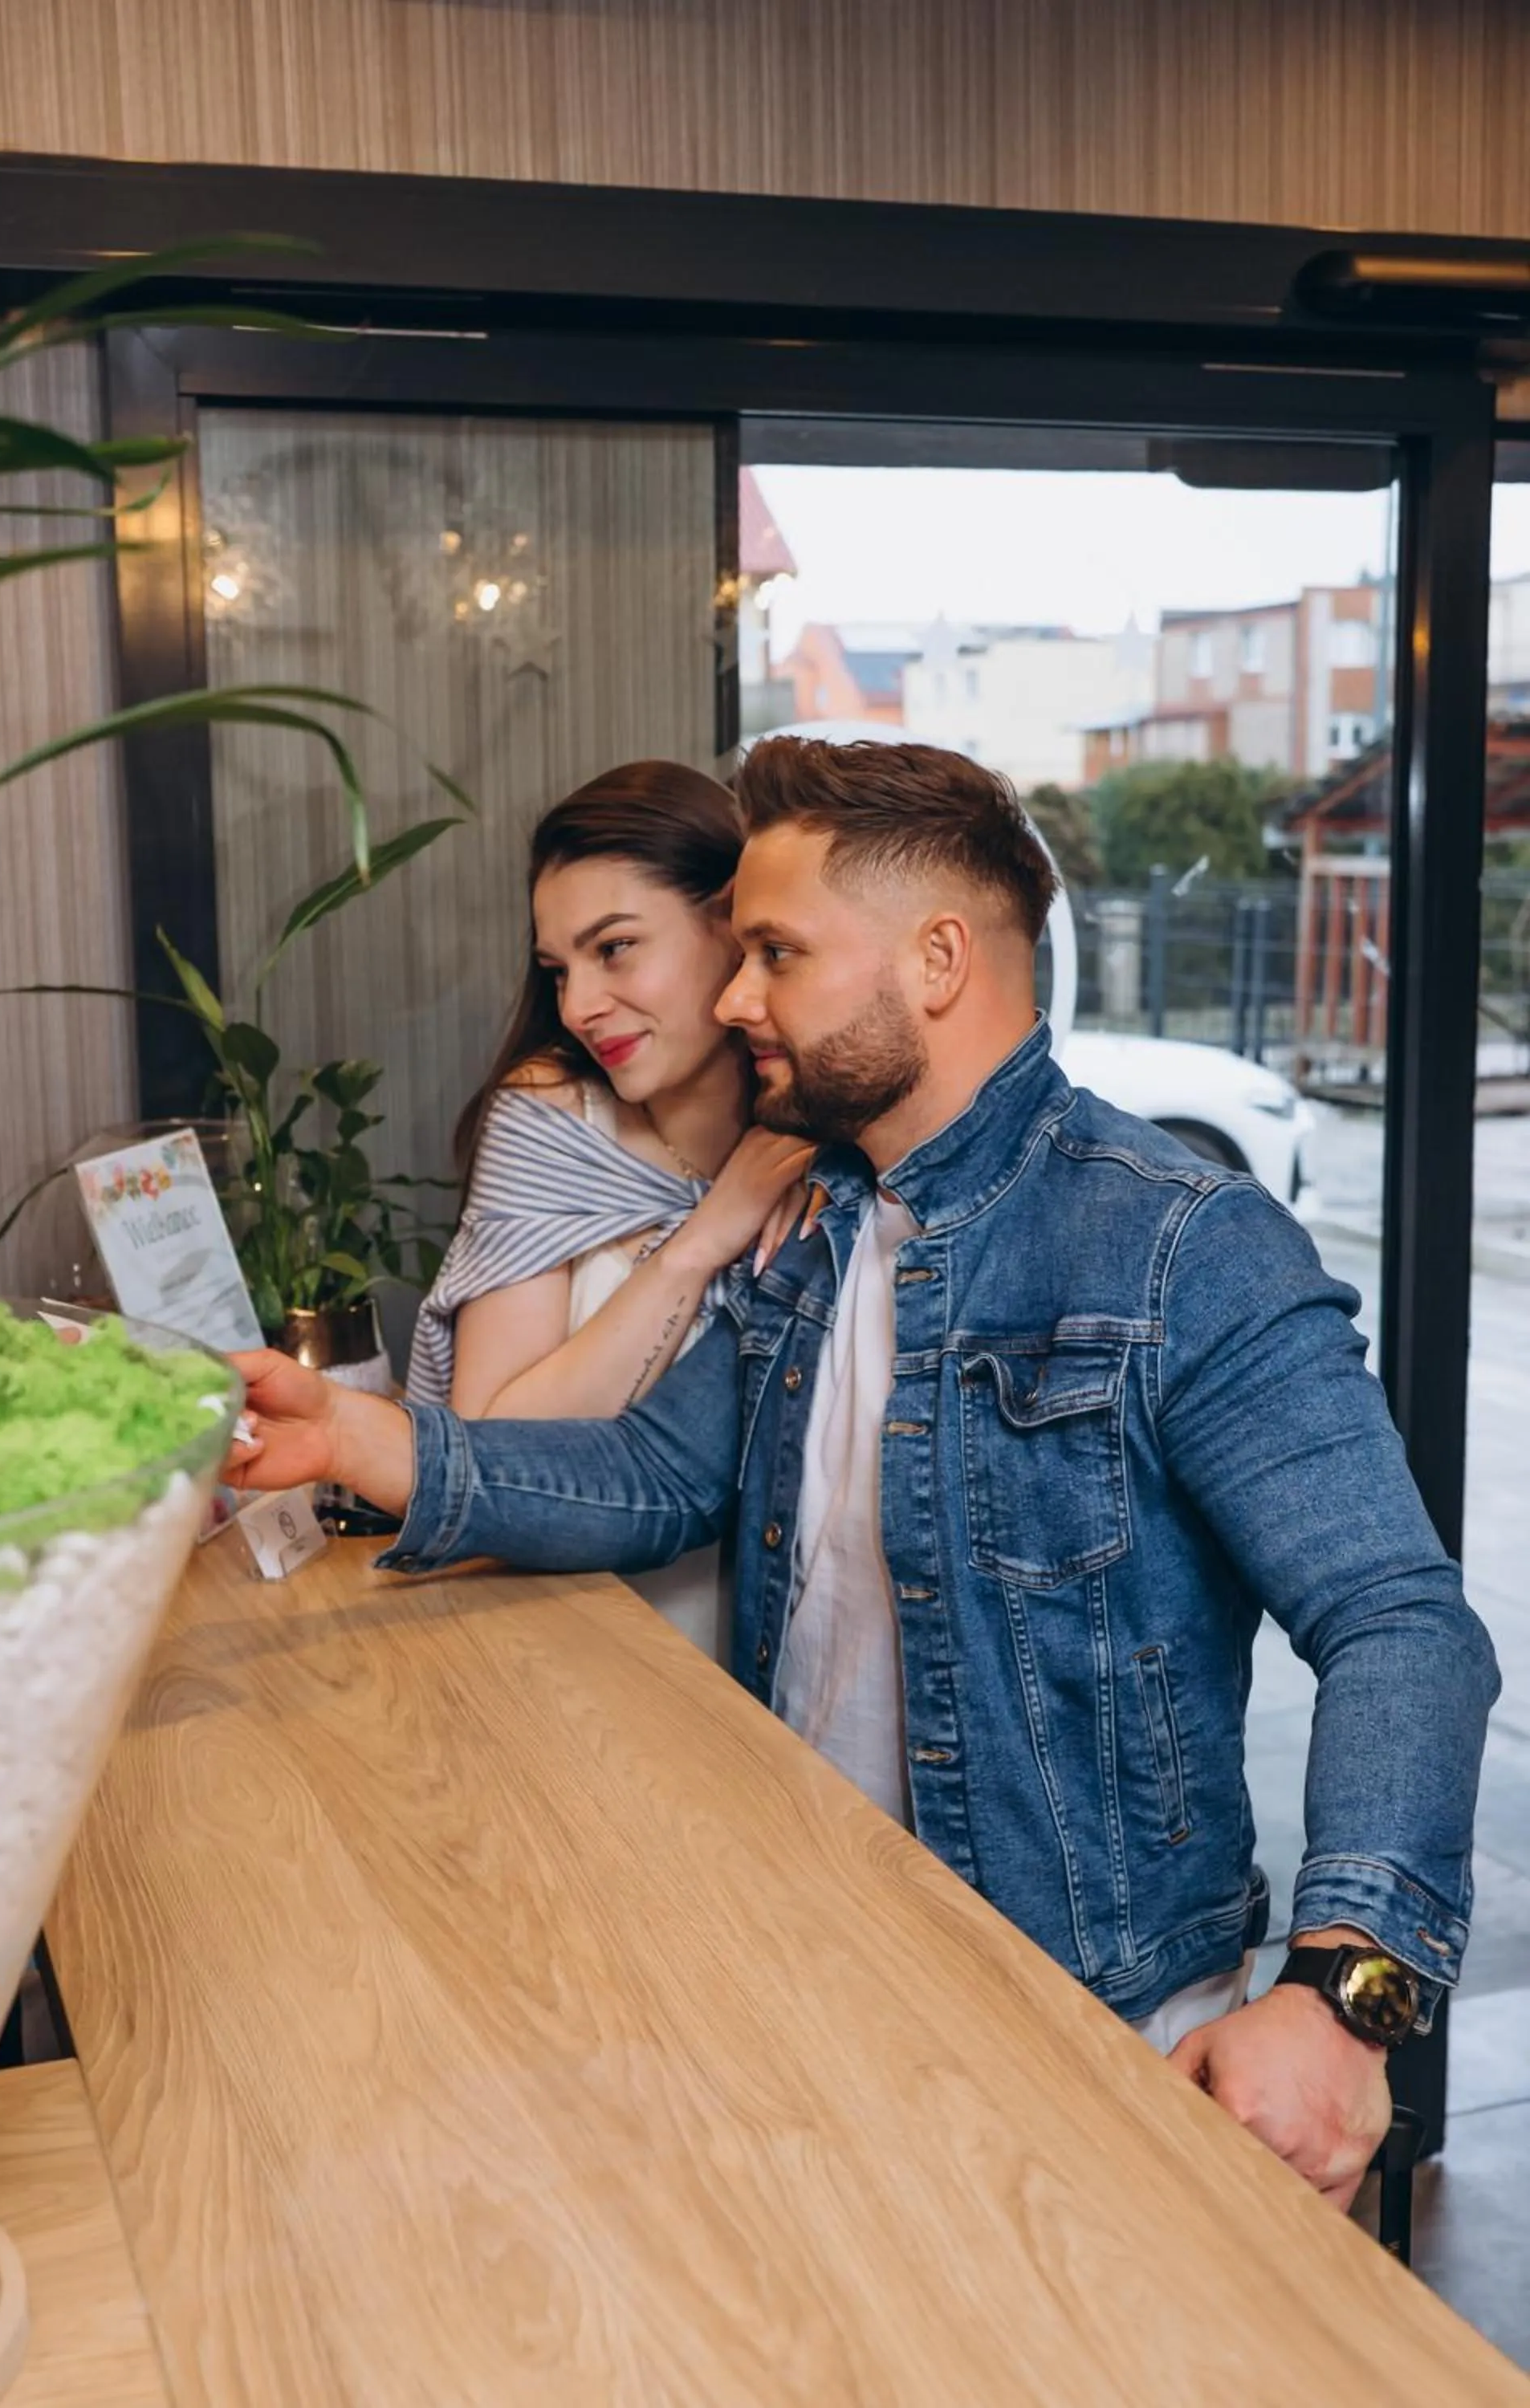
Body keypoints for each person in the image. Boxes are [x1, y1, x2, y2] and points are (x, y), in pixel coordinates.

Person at [228, 736, 1498, 2211]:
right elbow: (658, 1471)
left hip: (1093, 2023)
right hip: (814, 1949)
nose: (732, 997)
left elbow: (1401, 1624)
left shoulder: (1179, 1244)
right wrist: (369, 1443)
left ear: (939, 960)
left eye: (774, 952)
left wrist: (1343, 1999)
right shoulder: (824, 1212)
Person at [403, 760, 810, 1664]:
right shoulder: (552, 1117)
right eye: (558, 970)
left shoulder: (821, 1137)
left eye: (615, 947)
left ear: (730, 926)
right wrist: (705, 1237)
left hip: (751, 1656)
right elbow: (493, 1446)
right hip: (545, 1636)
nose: (580, 1006)